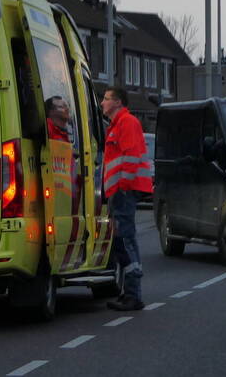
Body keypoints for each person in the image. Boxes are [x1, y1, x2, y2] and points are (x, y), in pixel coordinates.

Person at [100, 86, 153, 311]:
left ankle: (133, 294)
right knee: (121, 241)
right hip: (118, 191)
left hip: (124, 190)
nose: (102, 102)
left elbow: (130, 156)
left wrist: (122, 186)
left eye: (106, 98)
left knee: (126, 240)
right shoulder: (116, 125)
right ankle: (128, 292)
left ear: (118, 102)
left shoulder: (127, 122)